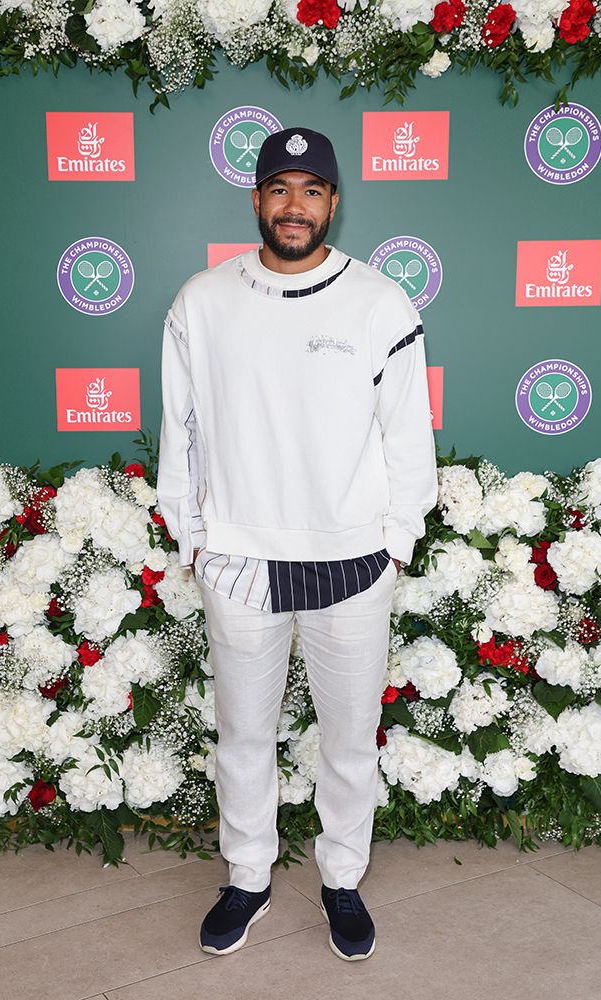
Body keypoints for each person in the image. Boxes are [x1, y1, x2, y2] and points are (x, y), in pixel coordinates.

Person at [156, 126, 438, 961]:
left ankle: (341, 877)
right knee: (244, 733)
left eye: (310, 190)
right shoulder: (200, 302)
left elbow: (406, 438)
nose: (293, 206)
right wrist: (195, 538)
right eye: (278, 188)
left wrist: (395, 540)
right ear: (255, 199)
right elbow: (183, 429)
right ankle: (246, 876)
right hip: (239, 558)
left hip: (353, 561)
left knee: (348, 738)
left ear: (333, 203)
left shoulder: (379, 303)